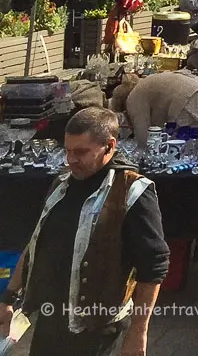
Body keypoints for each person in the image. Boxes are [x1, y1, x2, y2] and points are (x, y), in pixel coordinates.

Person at [2, 107, 169, 356]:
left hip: (97, 326)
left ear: (109, 146)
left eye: (81, 152)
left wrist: (138, 333)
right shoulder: (61, 184)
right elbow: (37, 241)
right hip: (50, 317)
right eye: (68, 151)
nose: (71, 160)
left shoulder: (133, 192)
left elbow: (154, 267)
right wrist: (9, 298)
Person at [112, 70, 198, 140]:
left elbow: (142, 132)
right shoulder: (148, 83)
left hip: (191, 98)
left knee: (183, 145)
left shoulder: (134, 97)